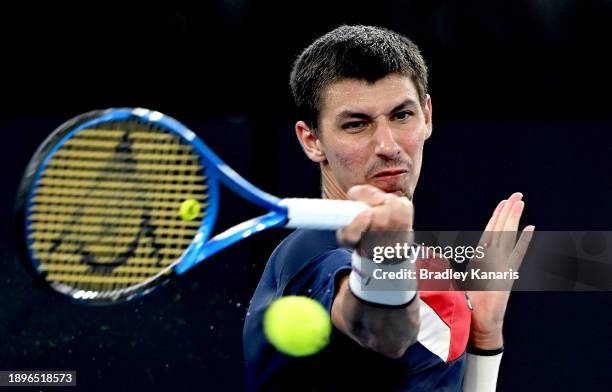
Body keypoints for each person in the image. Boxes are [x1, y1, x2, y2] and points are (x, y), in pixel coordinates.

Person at [243, 25, 533, 391]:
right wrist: (387, 256)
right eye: (356, 124)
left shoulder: (427, 265)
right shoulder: (314, 257)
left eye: (401, 116)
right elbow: (384, 332)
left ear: (427, 115)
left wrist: (484, 338)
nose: (388, 145)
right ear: (312, 141)